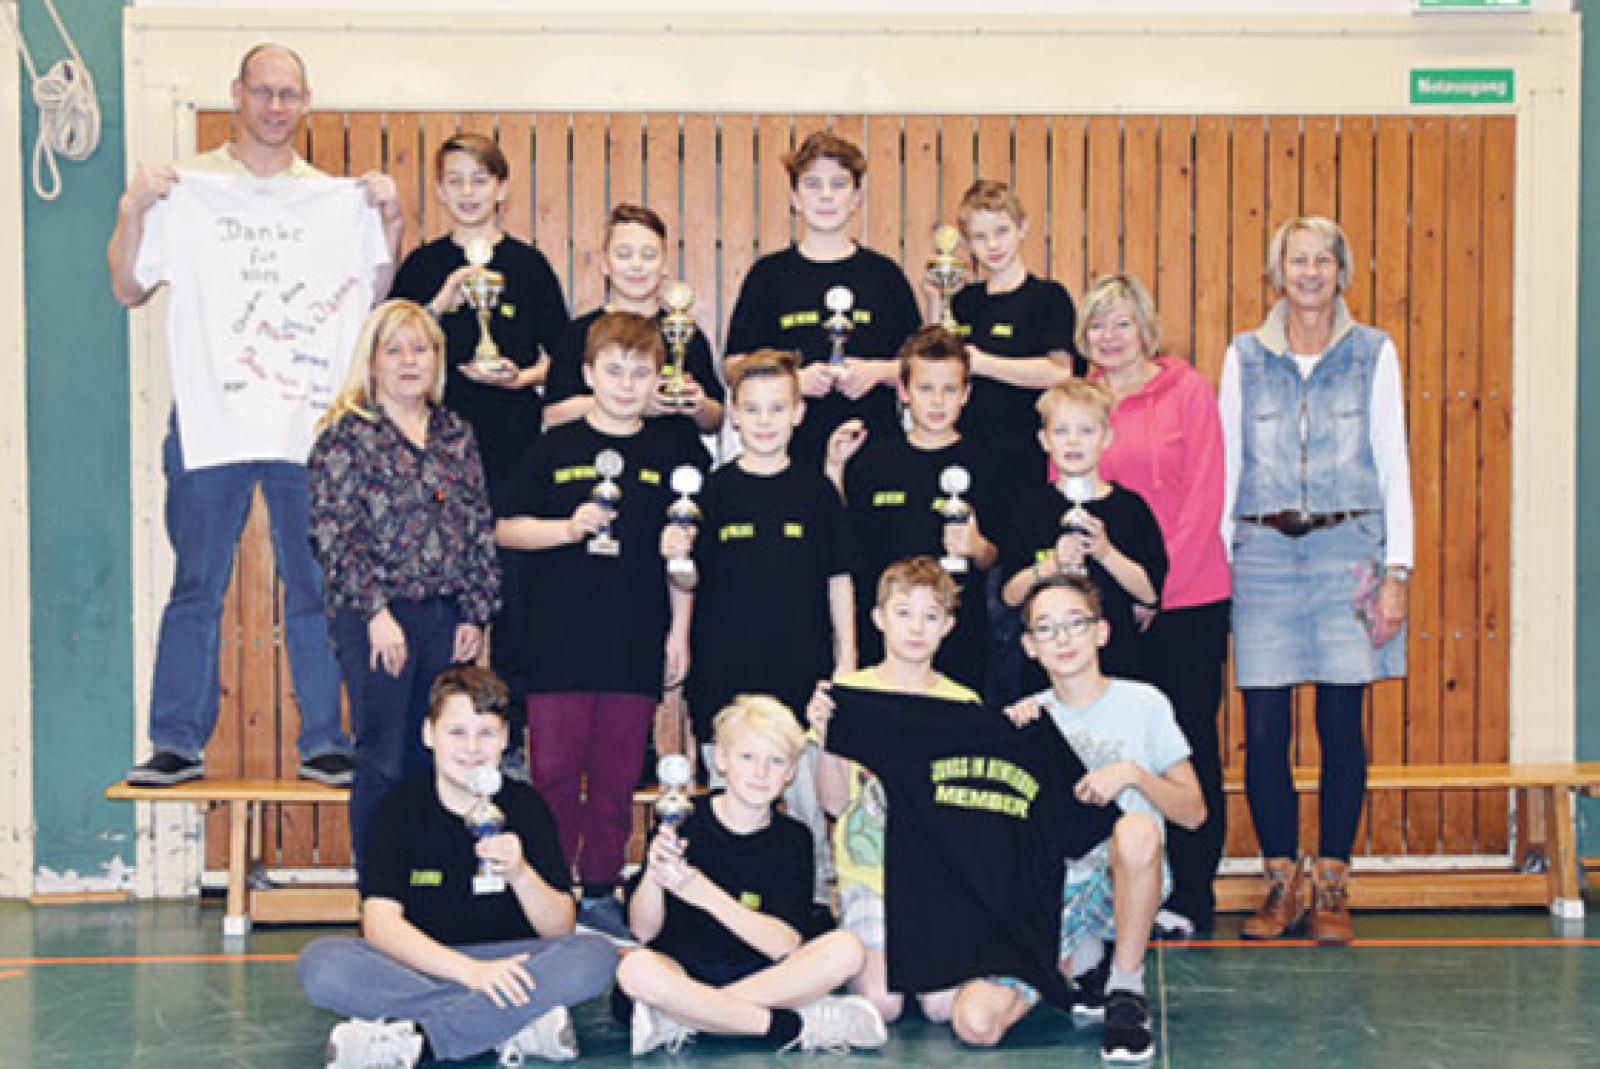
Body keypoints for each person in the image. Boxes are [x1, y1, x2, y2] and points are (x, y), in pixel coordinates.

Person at [110, 43, 403, 787]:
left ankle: (326, 739)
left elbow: (373, 294)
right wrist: (132, 208)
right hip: (213, 417)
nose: (276, 106)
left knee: (315, 582)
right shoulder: (189, 188)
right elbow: (127, 287)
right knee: (196, 584)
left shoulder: (329, 198)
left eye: (289, 94)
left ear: (306, 101)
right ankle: (176, 741)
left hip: (307, 423)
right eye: (264, 91)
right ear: (237, 92)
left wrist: (391, 220)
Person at [1221, 215, 1413, 946]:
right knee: (1265, 730)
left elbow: (1393, 463)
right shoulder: (1244, 356)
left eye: (1322, 260)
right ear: (1278, 274)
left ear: (1341, 271)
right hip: (1263, 554)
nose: (1309, 273)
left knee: (1340, 724)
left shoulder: (1374, 353)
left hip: (1350, 551)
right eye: (1297, 260)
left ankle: (1333, 881)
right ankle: (1282, 882)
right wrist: (1220, 564)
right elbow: (1228, 466)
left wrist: (1397, 571)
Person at [496, 311, 706, 940]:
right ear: (588, 374)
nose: (626, 384)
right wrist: (567, 529)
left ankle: (600, 888)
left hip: (633, 641)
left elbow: (688, 559)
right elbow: (505, 529)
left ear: (658, 379)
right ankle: (551, 890)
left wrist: (679, 631)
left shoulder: (676, 453)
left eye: (640, 373)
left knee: (616, 780)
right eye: (613, 371)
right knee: (554, 777)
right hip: (555, 643)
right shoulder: (553, 447)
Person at [297, 666, 617, 1068]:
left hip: (514, 961)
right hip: (419, 963)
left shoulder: (527, 807)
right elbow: (379, 924)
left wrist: (520, 873)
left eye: (486, 733)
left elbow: (559, 927)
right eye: (457, 732)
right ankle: (511, 1022)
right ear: (428, 734)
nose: (472, 748)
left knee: (594, 956)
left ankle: (418, 1038)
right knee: (323, 964)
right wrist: (470, 974)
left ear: (504, 738)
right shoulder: (398, 809)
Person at [388, 133, 570, 772]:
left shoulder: (529, 265)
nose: (469, 192)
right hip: (434, 455)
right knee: (443, 608)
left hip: (514, 450)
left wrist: (525, 378)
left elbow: (563, 357)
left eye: (480, 179)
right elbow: (392, 345)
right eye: (456, 180)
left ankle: (509, 741)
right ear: (440, 190)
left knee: (515, 604)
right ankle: (437, 742)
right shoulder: (422, 266)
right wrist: (439, 305)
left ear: (502, 188)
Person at [307, 300, 500, 860]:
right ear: (372, 362)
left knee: (441, 755)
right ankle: (380, 886)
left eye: (420, 349)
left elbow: (477, 525)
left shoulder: (456, 433)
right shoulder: (345, 437)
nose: (409, 361)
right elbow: (333, 536)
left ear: (437, 359)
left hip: (448, 617)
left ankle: (433, 877)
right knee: (384, 754)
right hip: (378, 620)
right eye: (394, 350)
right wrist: (375, 614)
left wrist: (475, 613)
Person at [1081, 274, 1231, 940]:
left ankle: (1192, 893)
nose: (1110, 337)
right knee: (1108, 747)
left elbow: (1205, 496)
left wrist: (1156, 591)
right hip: (1107, 609)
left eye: (1122, 322)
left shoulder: (1188, 391)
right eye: (1096, 325)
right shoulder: (1081, 398)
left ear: (1146, 327)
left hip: (1186, 600)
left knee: (1186, 745)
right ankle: (1115, 894)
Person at [614, 694, 887, 1056]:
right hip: (680, 970)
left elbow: (785, 945)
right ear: (722, 759)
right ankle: (787, 1026)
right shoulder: (682, 821)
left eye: (776, 761)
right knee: (635, 970)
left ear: (790, 773)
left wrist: (701, 891)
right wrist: (654, 871)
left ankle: (685, 1018)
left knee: (847, 949)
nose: (760, 773)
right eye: (747, 757)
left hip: (762, 979)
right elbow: (643, 931)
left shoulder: (794, 839)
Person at [1007, 575, 1204, 1065]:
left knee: (1136, 828)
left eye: (1075, 623)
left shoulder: (1144, 704)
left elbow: (1194, 813)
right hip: (1060, 889)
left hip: (1131, 871)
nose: (1063, 638)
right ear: (1030, 646)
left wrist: (1134, 775)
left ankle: (1125, 990)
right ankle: (1087, 959)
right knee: (979, 1020)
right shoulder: (1025, 719)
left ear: (1102, 632)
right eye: (1046, 628)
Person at [683, 351, 857, 901]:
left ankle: (812, 900)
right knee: (730, 802)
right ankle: (720, 902)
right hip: (724, 673)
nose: (764, 421)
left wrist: (847, 659)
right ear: (733, 414)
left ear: (798, 413)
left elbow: (839, 578)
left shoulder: (818, 493)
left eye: (777, 408)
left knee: (806, 805)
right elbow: (689, 580)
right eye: (752, 409)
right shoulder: (712, 493)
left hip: (801, 675)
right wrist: (675, 570)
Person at [807, 557, 983, 1027]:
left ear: (948, 626)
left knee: (943, 1006)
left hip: (939, 883)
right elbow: (833, 803)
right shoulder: (850, 693)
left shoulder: (964, 705)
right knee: (883, 1003)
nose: (916, 628)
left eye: (931, 615)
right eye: (903, 613)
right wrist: (826, 739)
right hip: (870, 880)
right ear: (878, 618)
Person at [724, 132, 921, 469]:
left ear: (856, 198)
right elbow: (734, 366)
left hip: (875, 450)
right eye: (812, 184)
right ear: (795, 198)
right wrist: (791, 381)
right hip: (788, 457)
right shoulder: (768, 275)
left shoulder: (885, 276)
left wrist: (877, 372)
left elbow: (922, 365)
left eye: (838, 184)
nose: (826, 195)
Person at [826, 327, 1003, 696]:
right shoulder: (872, 460)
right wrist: (835, 471)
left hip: (958, 637)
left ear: (966, 394)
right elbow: (846, 545)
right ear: (904, 392)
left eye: (949, 390)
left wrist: (976, 547)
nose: (937, 401)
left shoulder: (988, 463)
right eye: (925, 388)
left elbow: (996, 557)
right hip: (881, 637)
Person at [1000, 380, 1167, 696]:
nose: (1073, 441)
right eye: (1061, 431)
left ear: (1107, 438)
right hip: (1045, 673)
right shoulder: (1027, 507)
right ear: (1044, 440)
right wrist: (1050, 565)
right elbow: (1009, 594)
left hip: (1117, 663)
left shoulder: (1130, 508)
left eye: (1086, 431)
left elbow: (1149, 592)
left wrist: (1105, 552)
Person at [543, 204, 723, 460]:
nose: (637, 265)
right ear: (605, 264)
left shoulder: (685, 333)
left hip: (675, 467)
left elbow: (715, 420)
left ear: (664, 265)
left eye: (649, 255)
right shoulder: (578, 334)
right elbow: (553, 415)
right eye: (624, 254)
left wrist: (698, 406)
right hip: (594, 464)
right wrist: (635, 402)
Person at [949, 178, 1081, 488]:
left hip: (1026, 453)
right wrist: (934, 301)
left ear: (1022, 228)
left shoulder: (1048, 297)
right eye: (980, 237)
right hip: (969, 449)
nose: (993, 245)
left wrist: (984, 364)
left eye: (1001, 231)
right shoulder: (963, 302)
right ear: (967, 244)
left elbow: (1060, 372)